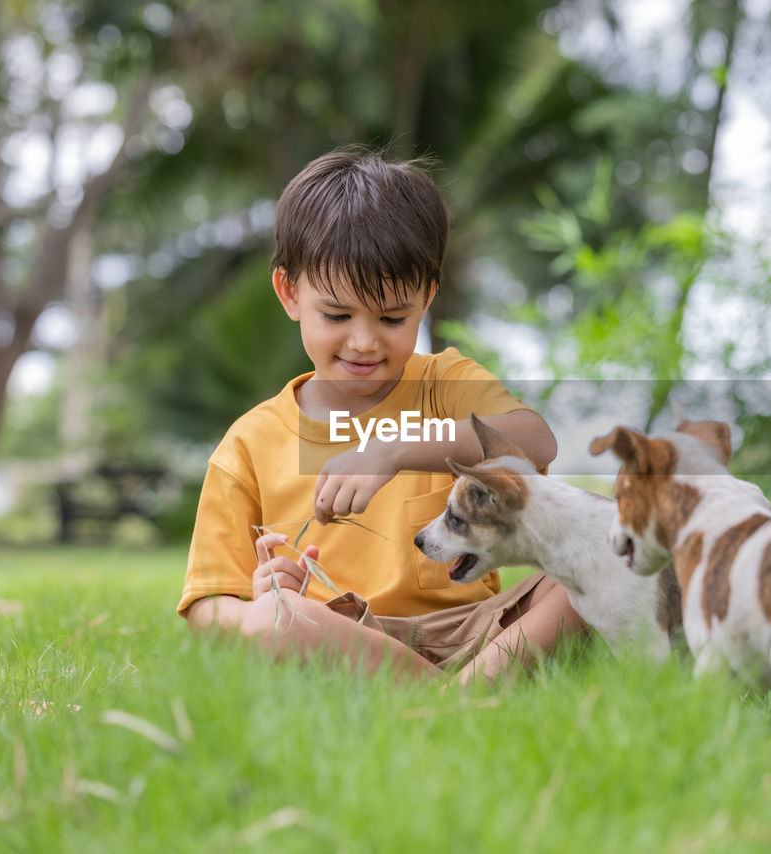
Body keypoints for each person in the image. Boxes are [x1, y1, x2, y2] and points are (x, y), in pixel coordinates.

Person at [177, 148, 588, 682]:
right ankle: (465, 701)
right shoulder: (250, 444)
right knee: (278, 619)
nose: (365, 342)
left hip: (475, 634)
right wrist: (258, 604)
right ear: (289, 292)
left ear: (427, 298)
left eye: (393, 317)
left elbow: (535, 441)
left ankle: (457, 696)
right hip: (336, 637)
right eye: (337, 314)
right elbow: (207, 609)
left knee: (612, 542)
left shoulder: (444, 383)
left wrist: (393, 448)